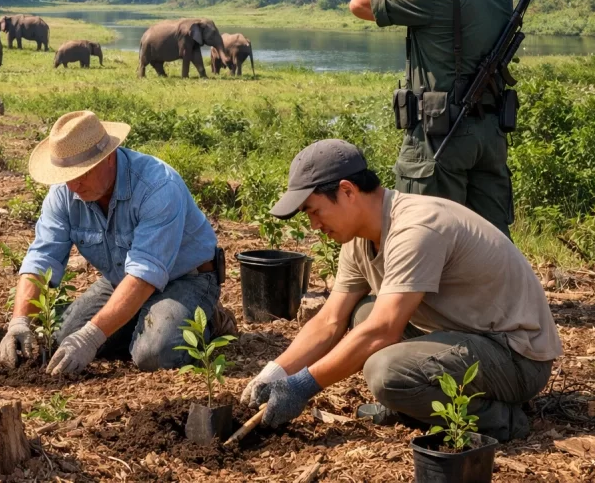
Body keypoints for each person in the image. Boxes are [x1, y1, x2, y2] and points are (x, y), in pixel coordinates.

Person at [240, 139, 561, 442]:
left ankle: (500, 420)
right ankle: (417, 401)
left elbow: (383, 330)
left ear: (347, 191)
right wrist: (273, 374)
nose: (313, 225)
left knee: (385, 370)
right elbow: (329, 321)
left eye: (314, 210)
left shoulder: (416, 228)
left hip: (515, 357)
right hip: (466, 337)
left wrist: (303, 385)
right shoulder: (359, 238)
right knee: (363, 312)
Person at [0, 110, 233, 375]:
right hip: (121, 280)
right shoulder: (64, 193)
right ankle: (139, 320)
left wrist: (91, 337)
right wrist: (19, 322)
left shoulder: (157, 186)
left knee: (153, 355)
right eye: (66, 175)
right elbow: (42, 258)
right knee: (61, 339)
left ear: (108, 157)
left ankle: (210, 319)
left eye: (82, 174)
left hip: (186, 279)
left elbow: (144, 275)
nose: (73, 185)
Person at [348, 0, 515, 237]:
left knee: (424, 237)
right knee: (488, 241)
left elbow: (361, 3)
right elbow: (448, 14)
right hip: (488, 135)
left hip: (440, 137)